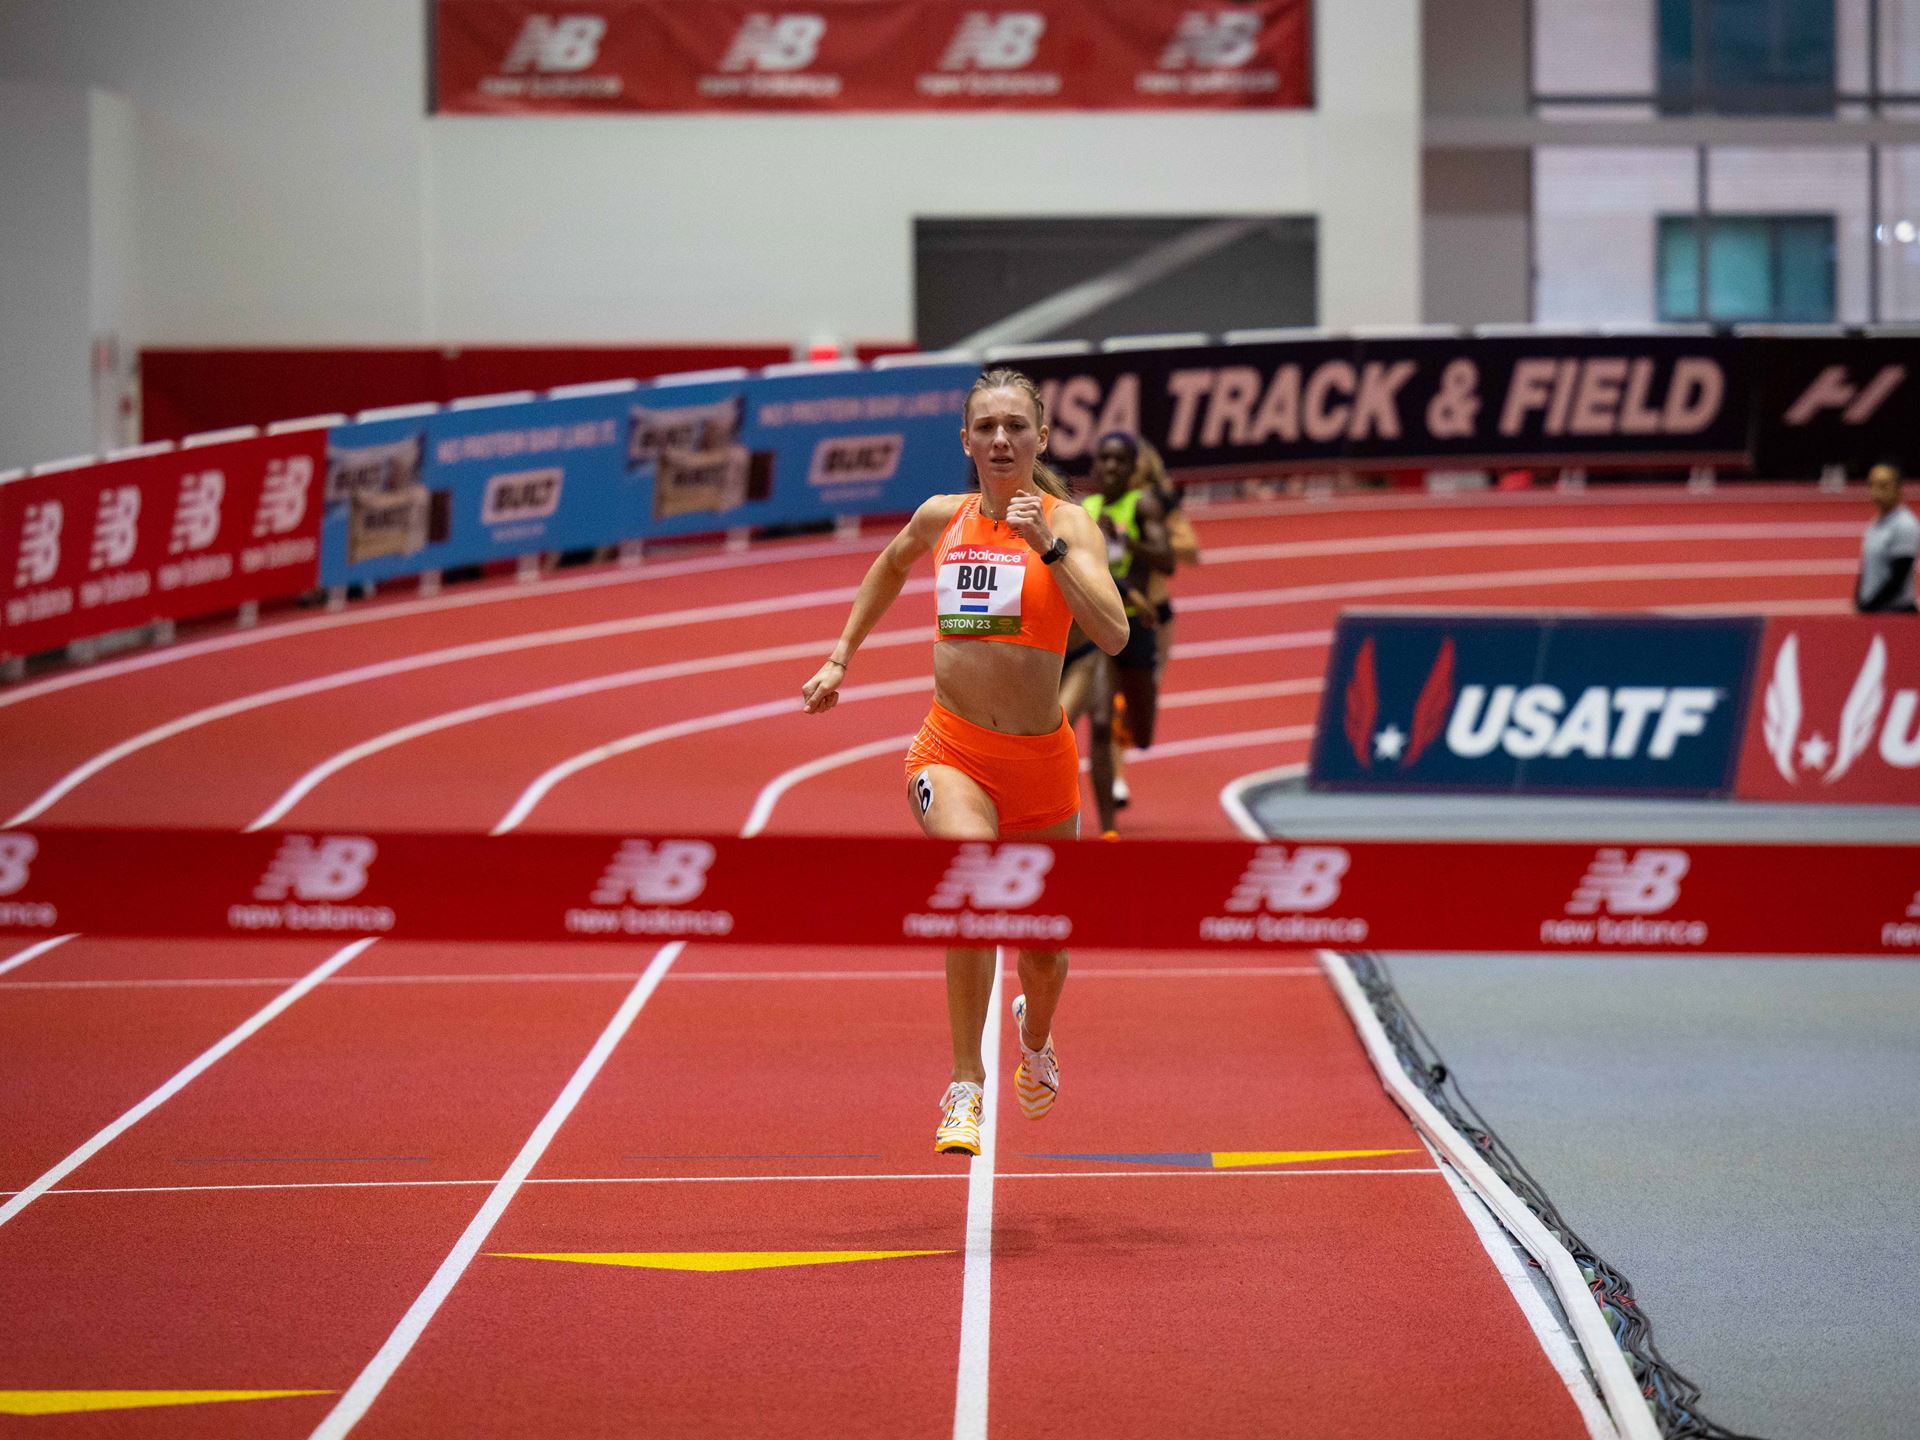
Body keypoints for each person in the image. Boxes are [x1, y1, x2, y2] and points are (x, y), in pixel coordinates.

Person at [800, 369, 1128, 1156]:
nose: (1002, 439)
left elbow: (1113, 633)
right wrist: (842, 655)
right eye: (987, 426)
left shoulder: (1069, 524)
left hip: (1041, 763)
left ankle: (1035, 1037)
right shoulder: (940, 518)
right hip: (951, 752)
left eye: (1017, 425)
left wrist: (1045, 547)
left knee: (1045, 950)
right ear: (966, 442)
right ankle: (964, 1084)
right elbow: (889, 564)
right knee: (971, 882)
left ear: (1042, 438)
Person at [1080, 431, 1174, 836]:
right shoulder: (1085, 509)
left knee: (1143, 734)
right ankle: (1107, 829)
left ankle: (1130, 723)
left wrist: (1125, 540)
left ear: (1133, 467)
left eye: (1120, 460)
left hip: (1138, 625)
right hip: (1100, 626)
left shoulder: (1143, 505)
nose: (1112, 467)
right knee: (1099, 724)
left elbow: (1167, 560)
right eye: (1105, 459)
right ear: (1096, 466)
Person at [1108, 437, 1199, 812]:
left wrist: (1147, 539)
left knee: (1139, 697)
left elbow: (1191, 551)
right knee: (1110, 699)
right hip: (1117, 610)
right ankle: (1117, 778)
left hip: (1156, 615)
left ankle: (1127, 746)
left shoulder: (1160, 506)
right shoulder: (1110, 504)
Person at [1856, 463, 1918, 614]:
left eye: (1883, 486)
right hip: (1875, 610)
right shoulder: (1876, 524)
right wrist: (1858, 599)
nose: (1876, 492)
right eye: (1872, 485)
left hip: (1896, 613)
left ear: (1898, 488)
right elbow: (1867, 567)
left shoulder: (1905, 524)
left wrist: (1868, 608)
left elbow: (1898, 577)